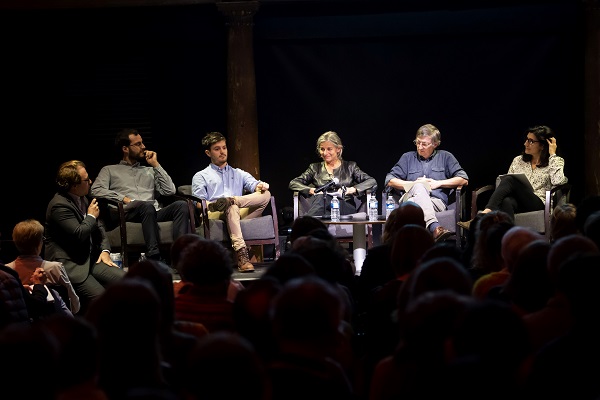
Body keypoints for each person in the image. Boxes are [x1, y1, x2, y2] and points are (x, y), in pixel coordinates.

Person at [91, 128, 192, 262]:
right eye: (138, 144)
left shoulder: (149, 170)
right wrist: (123, 199)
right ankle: (154, 255)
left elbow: (170, 191)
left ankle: (181, 257)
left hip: (153, 213)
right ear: (125, 148)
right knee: (145, 206)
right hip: (129, 214)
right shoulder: (110, 170)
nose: (143, 147)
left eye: (142, 143)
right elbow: (96, 189)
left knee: (181, 205)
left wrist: (156, 165)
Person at [45, 160, 126, 314]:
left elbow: (99, 226)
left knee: (128, 282)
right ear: (74, 186)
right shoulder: (59, 206)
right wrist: (90, 216)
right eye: (86, 180)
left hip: (91, 259)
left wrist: (105, 251)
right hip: (73, 265)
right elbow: (79, 234)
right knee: (103, 299)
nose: (91, 181)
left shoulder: (82, 197)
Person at [459, 125, 568, 229]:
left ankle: (483, 215)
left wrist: (552, 154)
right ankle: (508, 236)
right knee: (507, 200)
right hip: (518, 202)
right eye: (526, 139)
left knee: (510, 179)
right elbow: (507, 188)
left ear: (543, 145)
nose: (526, 143)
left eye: (531, 141)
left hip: (539, 203)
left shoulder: (554, 161)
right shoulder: (518, 161)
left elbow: (558, 182)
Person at [192, 131, 272, 273]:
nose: (222, 152)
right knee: (231, 208)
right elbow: (199, 204)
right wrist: (216, 205)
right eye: (217, 149)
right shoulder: (201, 176)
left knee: (265, 195)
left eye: (224, 147)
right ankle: (242, 255)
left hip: (237, 211)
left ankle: (232, 200)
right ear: (208, 153)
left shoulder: (238, 173)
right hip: (213, 213)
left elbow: (254, 184)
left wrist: (261, 186)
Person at [385, 123, 469, 242]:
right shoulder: (407, 158)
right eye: (417, 143)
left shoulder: (446, 157)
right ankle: (435, 228)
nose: (420, 147)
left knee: (411, 207)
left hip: (435, 202)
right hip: (409, 197)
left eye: (424, 144)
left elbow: (463, 179)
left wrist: (438, 183)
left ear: (435, 144)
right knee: (418, 187)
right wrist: (410, 185)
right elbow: (390, 179)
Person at [289, 130, 377, 217]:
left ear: (338, 149)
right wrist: (311, 190)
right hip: (322, 208)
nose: (325, 153)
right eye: (322, 149)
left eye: (329, 149)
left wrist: (352, 189)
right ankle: (314, 225)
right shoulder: (314, 168)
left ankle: (306, 224)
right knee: (322, 202)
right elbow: (293, 183)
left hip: (344, 207)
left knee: (322, 201)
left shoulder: (350, 167)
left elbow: (372, 181)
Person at [7, 219, 80, 314]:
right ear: (39, 243)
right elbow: (74, 304)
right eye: (42, 238)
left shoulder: (7, 271)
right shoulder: (55, 268)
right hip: (55, 322)